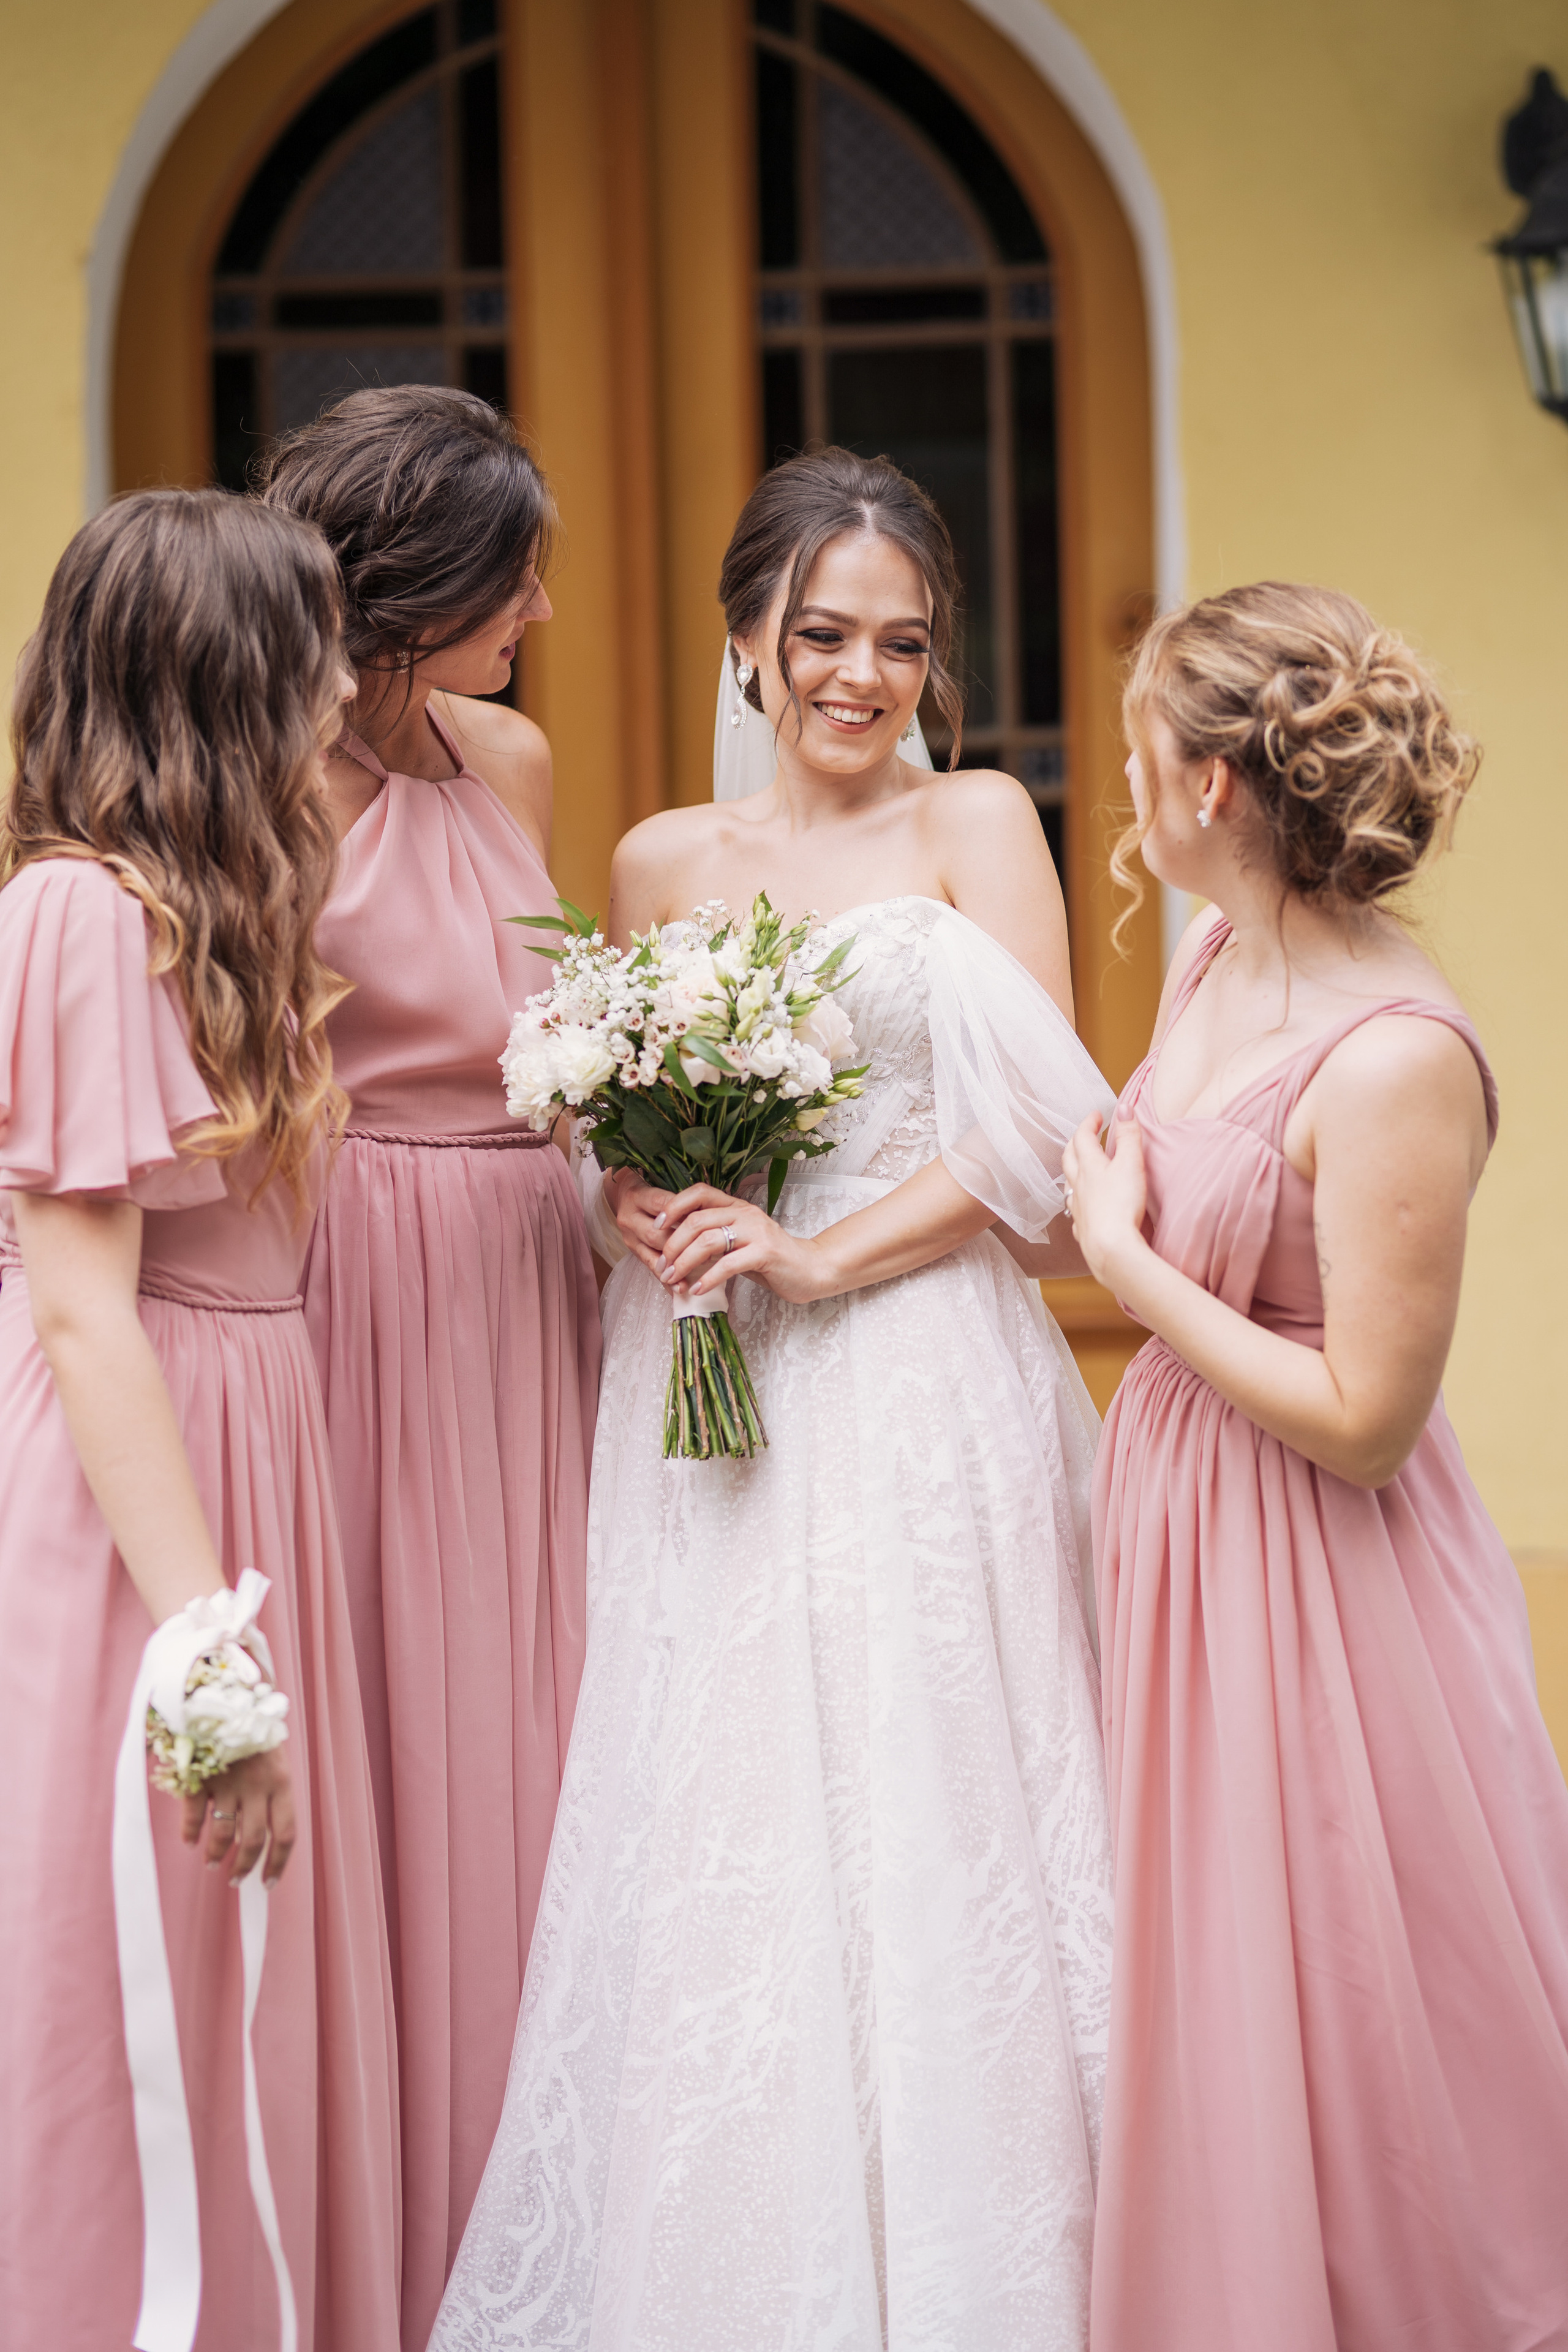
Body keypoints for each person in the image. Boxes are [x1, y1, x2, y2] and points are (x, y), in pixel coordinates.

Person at [432, 447, 1115, 2351]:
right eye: (821, 633)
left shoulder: (978, 822)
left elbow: (1043, 1139)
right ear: (748, 636)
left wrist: (820, 1259)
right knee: (720, 1795)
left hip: (906, 1362)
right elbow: (597, 1125)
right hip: (699, 1380)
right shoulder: (658, 861)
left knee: (923, 1783)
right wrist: (630, 1189)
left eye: (901, 642)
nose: (859, 675)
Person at [1063, 583, 1568, 2352]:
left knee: (1356, 2002)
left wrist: (1121, 1274)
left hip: (1325, 1590)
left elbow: (1367, 1414)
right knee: (1207, 1999)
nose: (1126, 794)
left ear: (1209, 785)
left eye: (1139, 758)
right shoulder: (1212, 959)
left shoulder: (1397, 1059)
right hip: (1187, 1545)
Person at [0, 489, 400, 2351]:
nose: (348, 680)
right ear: (228, 680)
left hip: (240, 1462)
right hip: (131, 1498)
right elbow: (84, 1309)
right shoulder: (76, 915)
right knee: (130, 1979)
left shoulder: (225, 898)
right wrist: (209, 1674)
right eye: (317, 643)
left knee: (233, 1976)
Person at [258, 386, 601, 2349]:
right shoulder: (264, 782)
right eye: (510, 573)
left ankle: (541, 2222)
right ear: (406, 593)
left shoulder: (515, 757)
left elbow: (547, 1024)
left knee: (551, 1727)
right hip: (356, 1296)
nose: (541, 604)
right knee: (393, 1723)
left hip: (533, 1290)